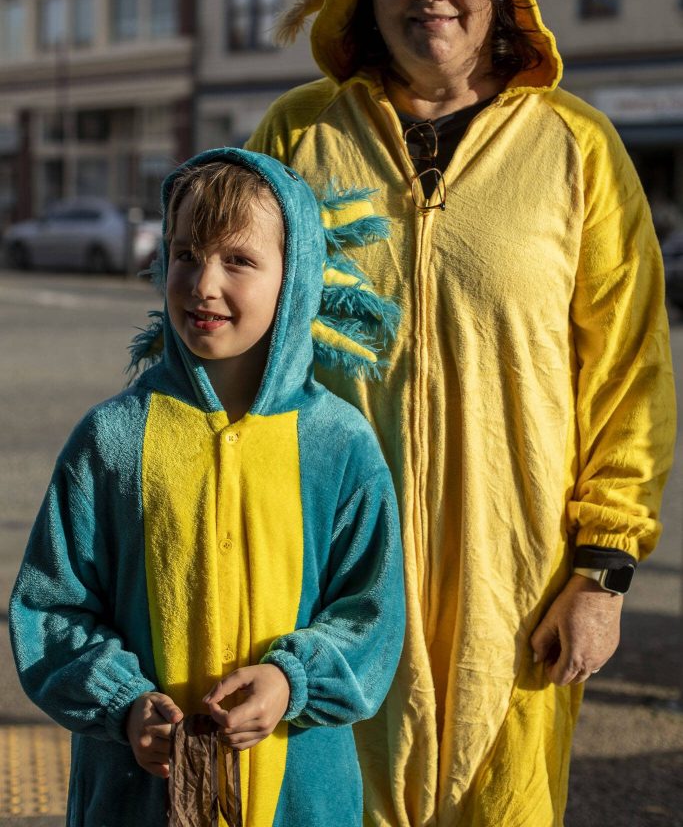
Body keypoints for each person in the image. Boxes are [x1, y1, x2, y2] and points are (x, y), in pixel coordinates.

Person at [247, 0, 677, 825]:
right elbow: (226, 343)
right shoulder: (297, 136)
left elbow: (626, 373)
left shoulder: (575, 148)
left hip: (519, 576)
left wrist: (601, 570)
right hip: (327, 572)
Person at [9, 148, 405, 827]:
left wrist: (290, 682)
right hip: (133, 797)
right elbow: (50, 610)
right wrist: (124, 704)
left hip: (298, 797)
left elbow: (371, 613)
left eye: (238, 261)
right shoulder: (112, 438)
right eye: (185, 254)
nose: (203, 283)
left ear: (296, 278)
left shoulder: (339, 445)